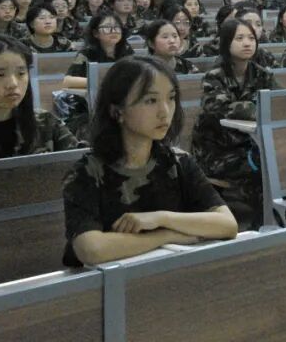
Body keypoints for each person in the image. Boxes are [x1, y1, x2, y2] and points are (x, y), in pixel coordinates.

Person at [61, 57, 236, 266]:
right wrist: (165, 236)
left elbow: (228, 224)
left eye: (171, 98)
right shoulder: (86, 172)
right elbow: (91, 249)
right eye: (151, 101)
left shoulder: (179, 162)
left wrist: (162, 218)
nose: (165, 112)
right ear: (117, 111)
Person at [191, 18, 278, 231]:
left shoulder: (262, 73)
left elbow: (279, 103)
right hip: (217, 152)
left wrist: (260, 108)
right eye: (239, 38)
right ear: (226, 43)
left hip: (250, 146)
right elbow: (219, 108)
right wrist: (258, 108)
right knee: (265, 171)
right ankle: (262, 228)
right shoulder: (214, 76)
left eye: (251, 38)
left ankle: (270, 224)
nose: (247, 43)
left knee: (275, 163)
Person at [0, 34, 79, 158]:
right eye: (0, 75)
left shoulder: (44, 122)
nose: (13, 84)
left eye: (21, 73)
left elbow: (81, 160)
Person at [62, 12, 134, 94]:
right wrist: (103, 82)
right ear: (95, 33)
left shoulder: (127, 50)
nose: (113, 31)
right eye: (107, 27)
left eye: (117, 27)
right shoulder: (86, 53)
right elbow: (67, 81)